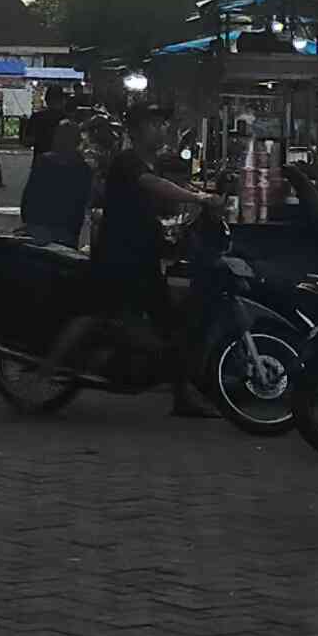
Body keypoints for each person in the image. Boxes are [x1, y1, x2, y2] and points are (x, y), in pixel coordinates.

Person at [91, 108, 221, 418]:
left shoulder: (151, 163)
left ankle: (177, 391)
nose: (161, 129)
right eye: (154, 124)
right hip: (122, 259)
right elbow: (154, 185)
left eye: (162, 124)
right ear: (136, 130)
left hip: (142, 257)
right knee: (149, 323)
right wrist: (200, 198)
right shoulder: (128, 161)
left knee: (170, 323)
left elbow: (166, 193)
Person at [18, 118, 97, 246]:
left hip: (41, 227)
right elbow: (85, 200)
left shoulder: (44, 161)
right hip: (66, 230)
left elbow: (29, 196)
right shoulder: (83, 167)